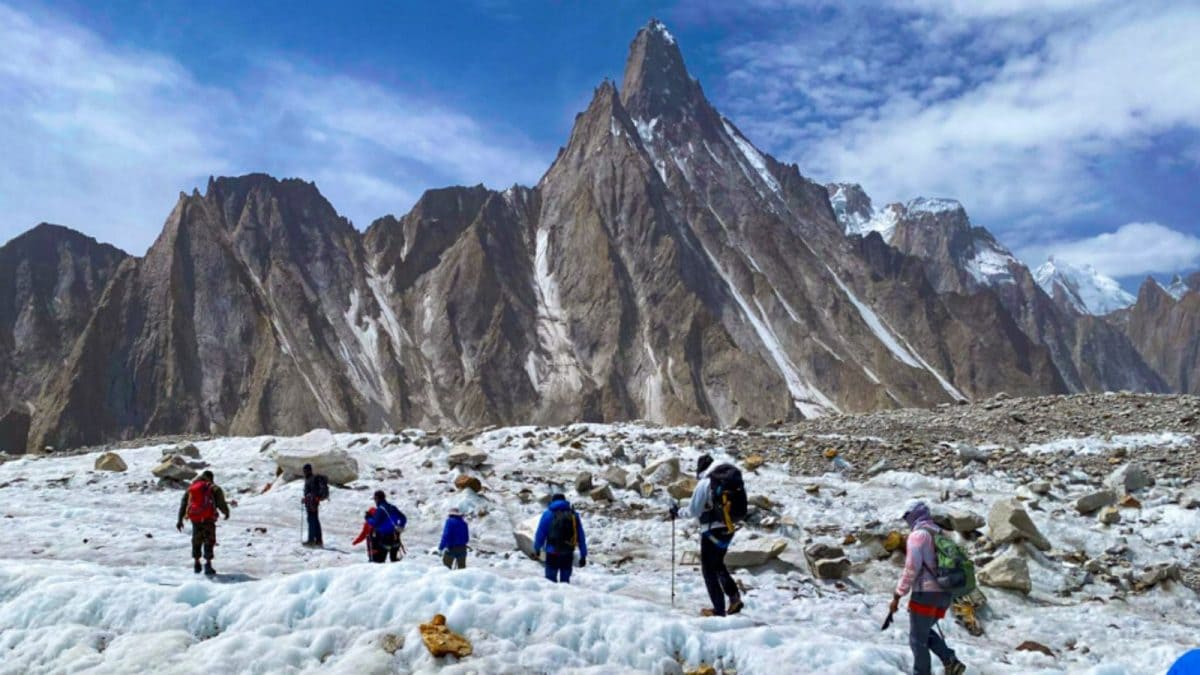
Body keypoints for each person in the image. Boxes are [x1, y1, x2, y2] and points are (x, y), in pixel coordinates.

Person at [889, 500, 967, 675]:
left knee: (917, 639)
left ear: (913, 516)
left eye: (907, 517)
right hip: (945, 593)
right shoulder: (939, 532)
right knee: (922, 631)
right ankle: (950, 661)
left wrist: (898, 594)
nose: (906, 521)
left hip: (926, 593)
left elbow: (911, 568)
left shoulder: (918, 536)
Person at [672, 454, 743, 617]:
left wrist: (677, 512)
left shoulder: (705, 483)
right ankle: (734, 598)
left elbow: (693, 511)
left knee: (708, 570)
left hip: (711, 532)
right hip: (729, 529)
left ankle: (718, 610)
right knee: (718, 564)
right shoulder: (729, 479)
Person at [176, 470, 230, 576]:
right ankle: (208, 564)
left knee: (196, 539)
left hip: (195, 518)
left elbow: (183, 503)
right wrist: (226, 512)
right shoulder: (214, 488)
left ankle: (196, 563)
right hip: (208, 518)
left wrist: (179, 519)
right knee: (209, 540)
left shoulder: (192, 488)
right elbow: (221, 503)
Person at [533, 493, 587, 583]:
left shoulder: (548, 514)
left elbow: (541, 533)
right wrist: (583, 555)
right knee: (565, 581)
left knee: (550, 581)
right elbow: (581, 536)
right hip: (568, 551)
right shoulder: (573, 515)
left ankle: (551, 595)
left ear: (552, 501)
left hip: (552, 551)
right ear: (565, 501)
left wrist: (537, 548)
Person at [366, 491, 407, 563]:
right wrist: (400, 527)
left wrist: (368, 518)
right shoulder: (392, 507)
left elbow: (375, 523)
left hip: (384, 538)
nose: (375, 502)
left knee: (379, 562)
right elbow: (403, 518)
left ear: (377, 499)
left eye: (375, 499)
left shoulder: (380, 509)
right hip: (395, 538)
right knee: (394, 561)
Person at [302, 463, 327, 547]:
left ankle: (311, 540)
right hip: (314, 502)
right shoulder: (313, 479)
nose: (304, 472)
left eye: (305, 470)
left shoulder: (310, 479)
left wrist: (307, 498)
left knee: (311, 521)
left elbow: (311, 492)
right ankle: (318, 541)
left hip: (311, 503)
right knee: (315, 521)